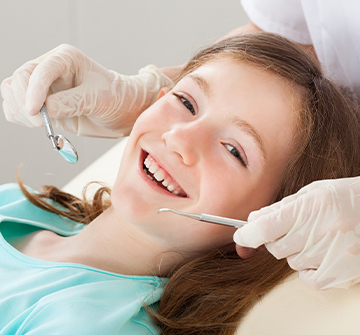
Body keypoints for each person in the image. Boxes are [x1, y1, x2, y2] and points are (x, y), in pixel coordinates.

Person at [0, 33, 359, 335]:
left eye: (234, 151)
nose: (180, 138)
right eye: (186, 101)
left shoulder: (91, 324)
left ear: (272, 221)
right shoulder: (20, 206)